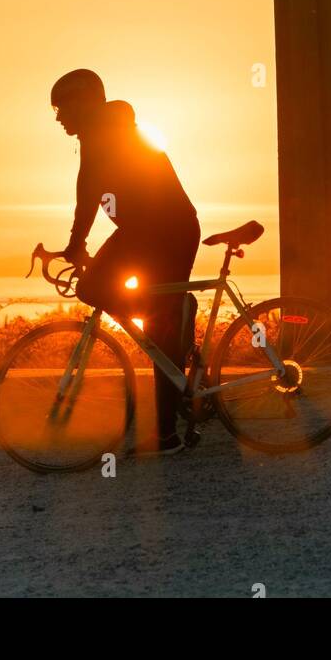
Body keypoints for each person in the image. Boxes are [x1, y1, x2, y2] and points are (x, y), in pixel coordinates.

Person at [51, 68, 201, 455]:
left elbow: (88, 190)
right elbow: (89, 190)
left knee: (151, 321)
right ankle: (175, 315)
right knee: (137, 310)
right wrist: (75, 243)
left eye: (61, 107)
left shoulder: (104, 132)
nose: (58, 117)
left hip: (166, 231)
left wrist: (76, 243)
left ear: (83, 103)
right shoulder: (101, 131)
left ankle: (166, 436)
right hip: (147, 230)